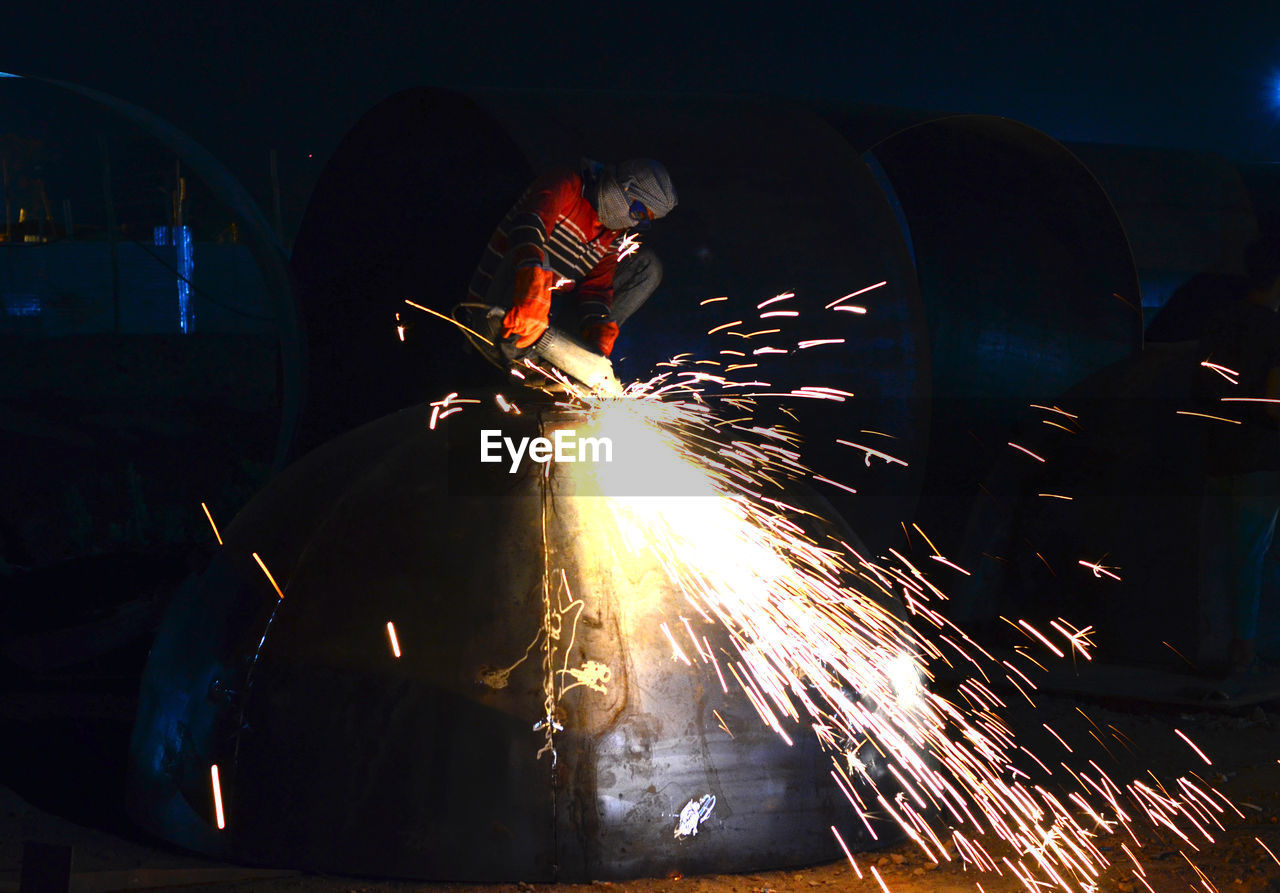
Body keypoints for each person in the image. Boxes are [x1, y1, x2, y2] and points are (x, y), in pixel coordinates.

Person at [467, 158, 677, 364]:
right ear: (624, 188)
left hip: (541, 318)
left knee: (647, 267)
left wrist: (598, 328)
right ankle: (514, 346)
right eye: (638, 212)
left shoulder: (613, 234)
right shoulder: (568, 182)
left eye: (642, 220)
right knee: (540, 257)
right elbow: (528, 228)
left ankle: (572, 362)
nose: (633, 222)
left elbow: (596, 289)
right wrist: (532, 281)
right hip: (498, 302)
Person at [1197, 233, 1280, 674]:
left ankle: (1211, 645)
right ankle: (1244, 650)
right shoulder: (1274, 328)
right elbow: (1274, 402)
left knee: (1220, 553)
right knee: (1251, 557)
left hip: (1218, 453)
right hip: (1262, 460)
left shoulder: (1220, 322)